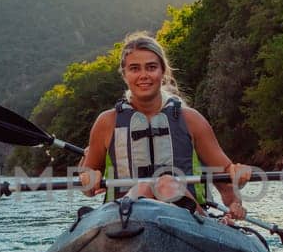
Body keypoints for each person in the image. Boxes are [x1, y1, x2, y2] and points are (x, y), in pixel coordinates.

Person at [77, 32, 251, 219]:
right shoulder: (106, 123)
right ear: (125, 75)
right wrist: (88, 179)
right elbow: (88, 185)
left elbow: (226, 180)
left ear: (163, 72)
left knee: (165, 184)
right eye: (135, 69)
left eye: (151, 67)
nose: (144, 75)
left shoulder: (191, 120)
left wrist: (235, 198)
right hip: (125, 218)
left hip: (187, 219)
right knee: (145, 186)